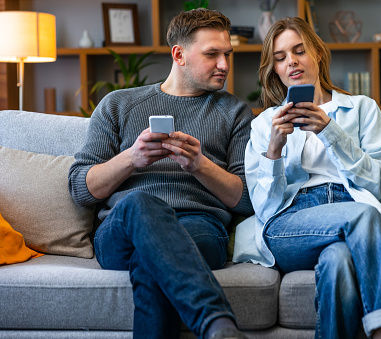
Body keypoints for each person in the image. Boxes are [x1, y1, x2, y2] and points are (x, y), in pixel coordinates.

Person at [240, 17, 381, 339]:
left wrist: (330, 132)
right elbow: (265, 207)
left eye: (300, 51)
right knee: (365, 215)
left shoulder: (361, 109)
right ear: (274, 68)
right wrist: (274, 149)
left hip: (353, 210)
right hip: (292, 224)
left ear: (317, 53)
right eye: (280, 57)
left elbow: (379, 182)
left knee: (339, 260)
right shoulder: (264, 126)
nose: (292, 61)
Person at [68, 9, 254, 339]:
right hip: (123, 227)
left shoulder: (235, 112)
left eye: (228, 54)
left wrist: (200, 165)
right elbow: (81, 188)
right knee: (141, 203)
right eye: (212, 54)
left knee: (151, 260)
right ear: (179, 54)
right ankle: (215, 322)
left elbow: (247, 200)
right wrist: (131, 159)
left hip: (200, 226)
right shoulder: (118, 105)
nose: (224, 64)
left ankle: (217, 327)